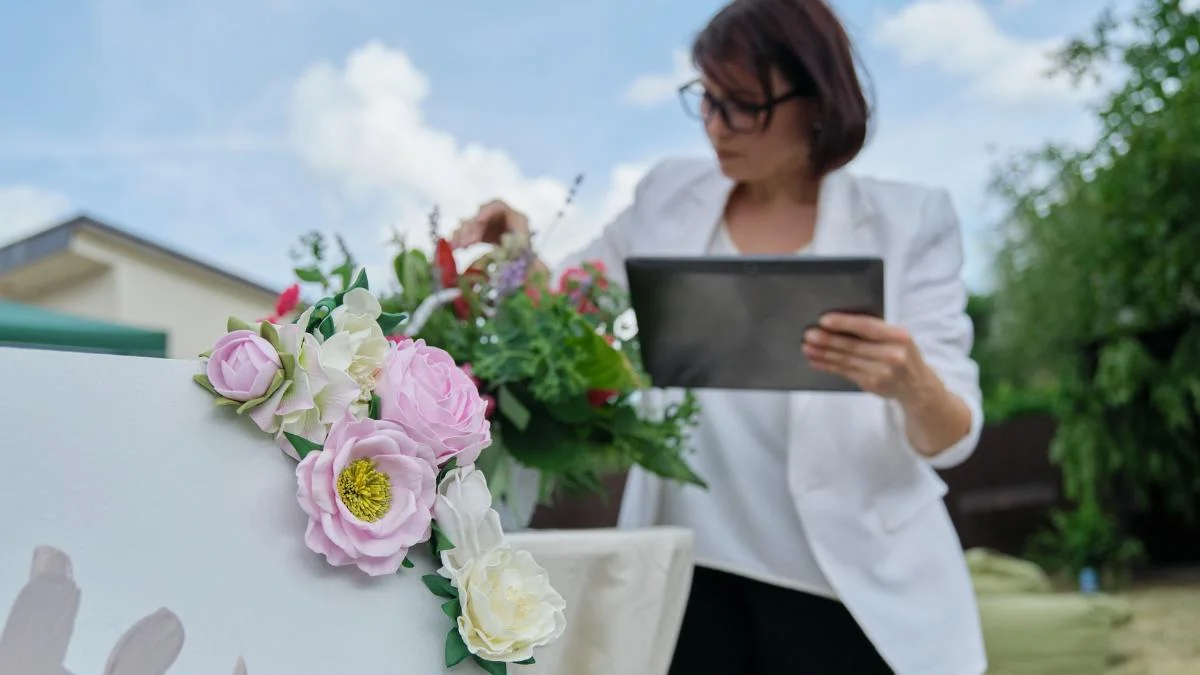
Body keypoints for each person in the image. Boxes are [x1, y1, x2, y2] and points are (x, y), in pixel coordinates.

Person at [450, 0, 986, 673]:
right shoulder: (669, 194)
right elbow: (568, 307)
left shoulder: (911, 221)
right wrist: (519, 253)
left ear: (816, 100)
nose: (714, 126)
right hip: (693, 571)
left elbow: (953, 436)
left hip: (849, 585)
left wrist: (912, 382)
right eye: (706, 98)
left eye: (742, 106)